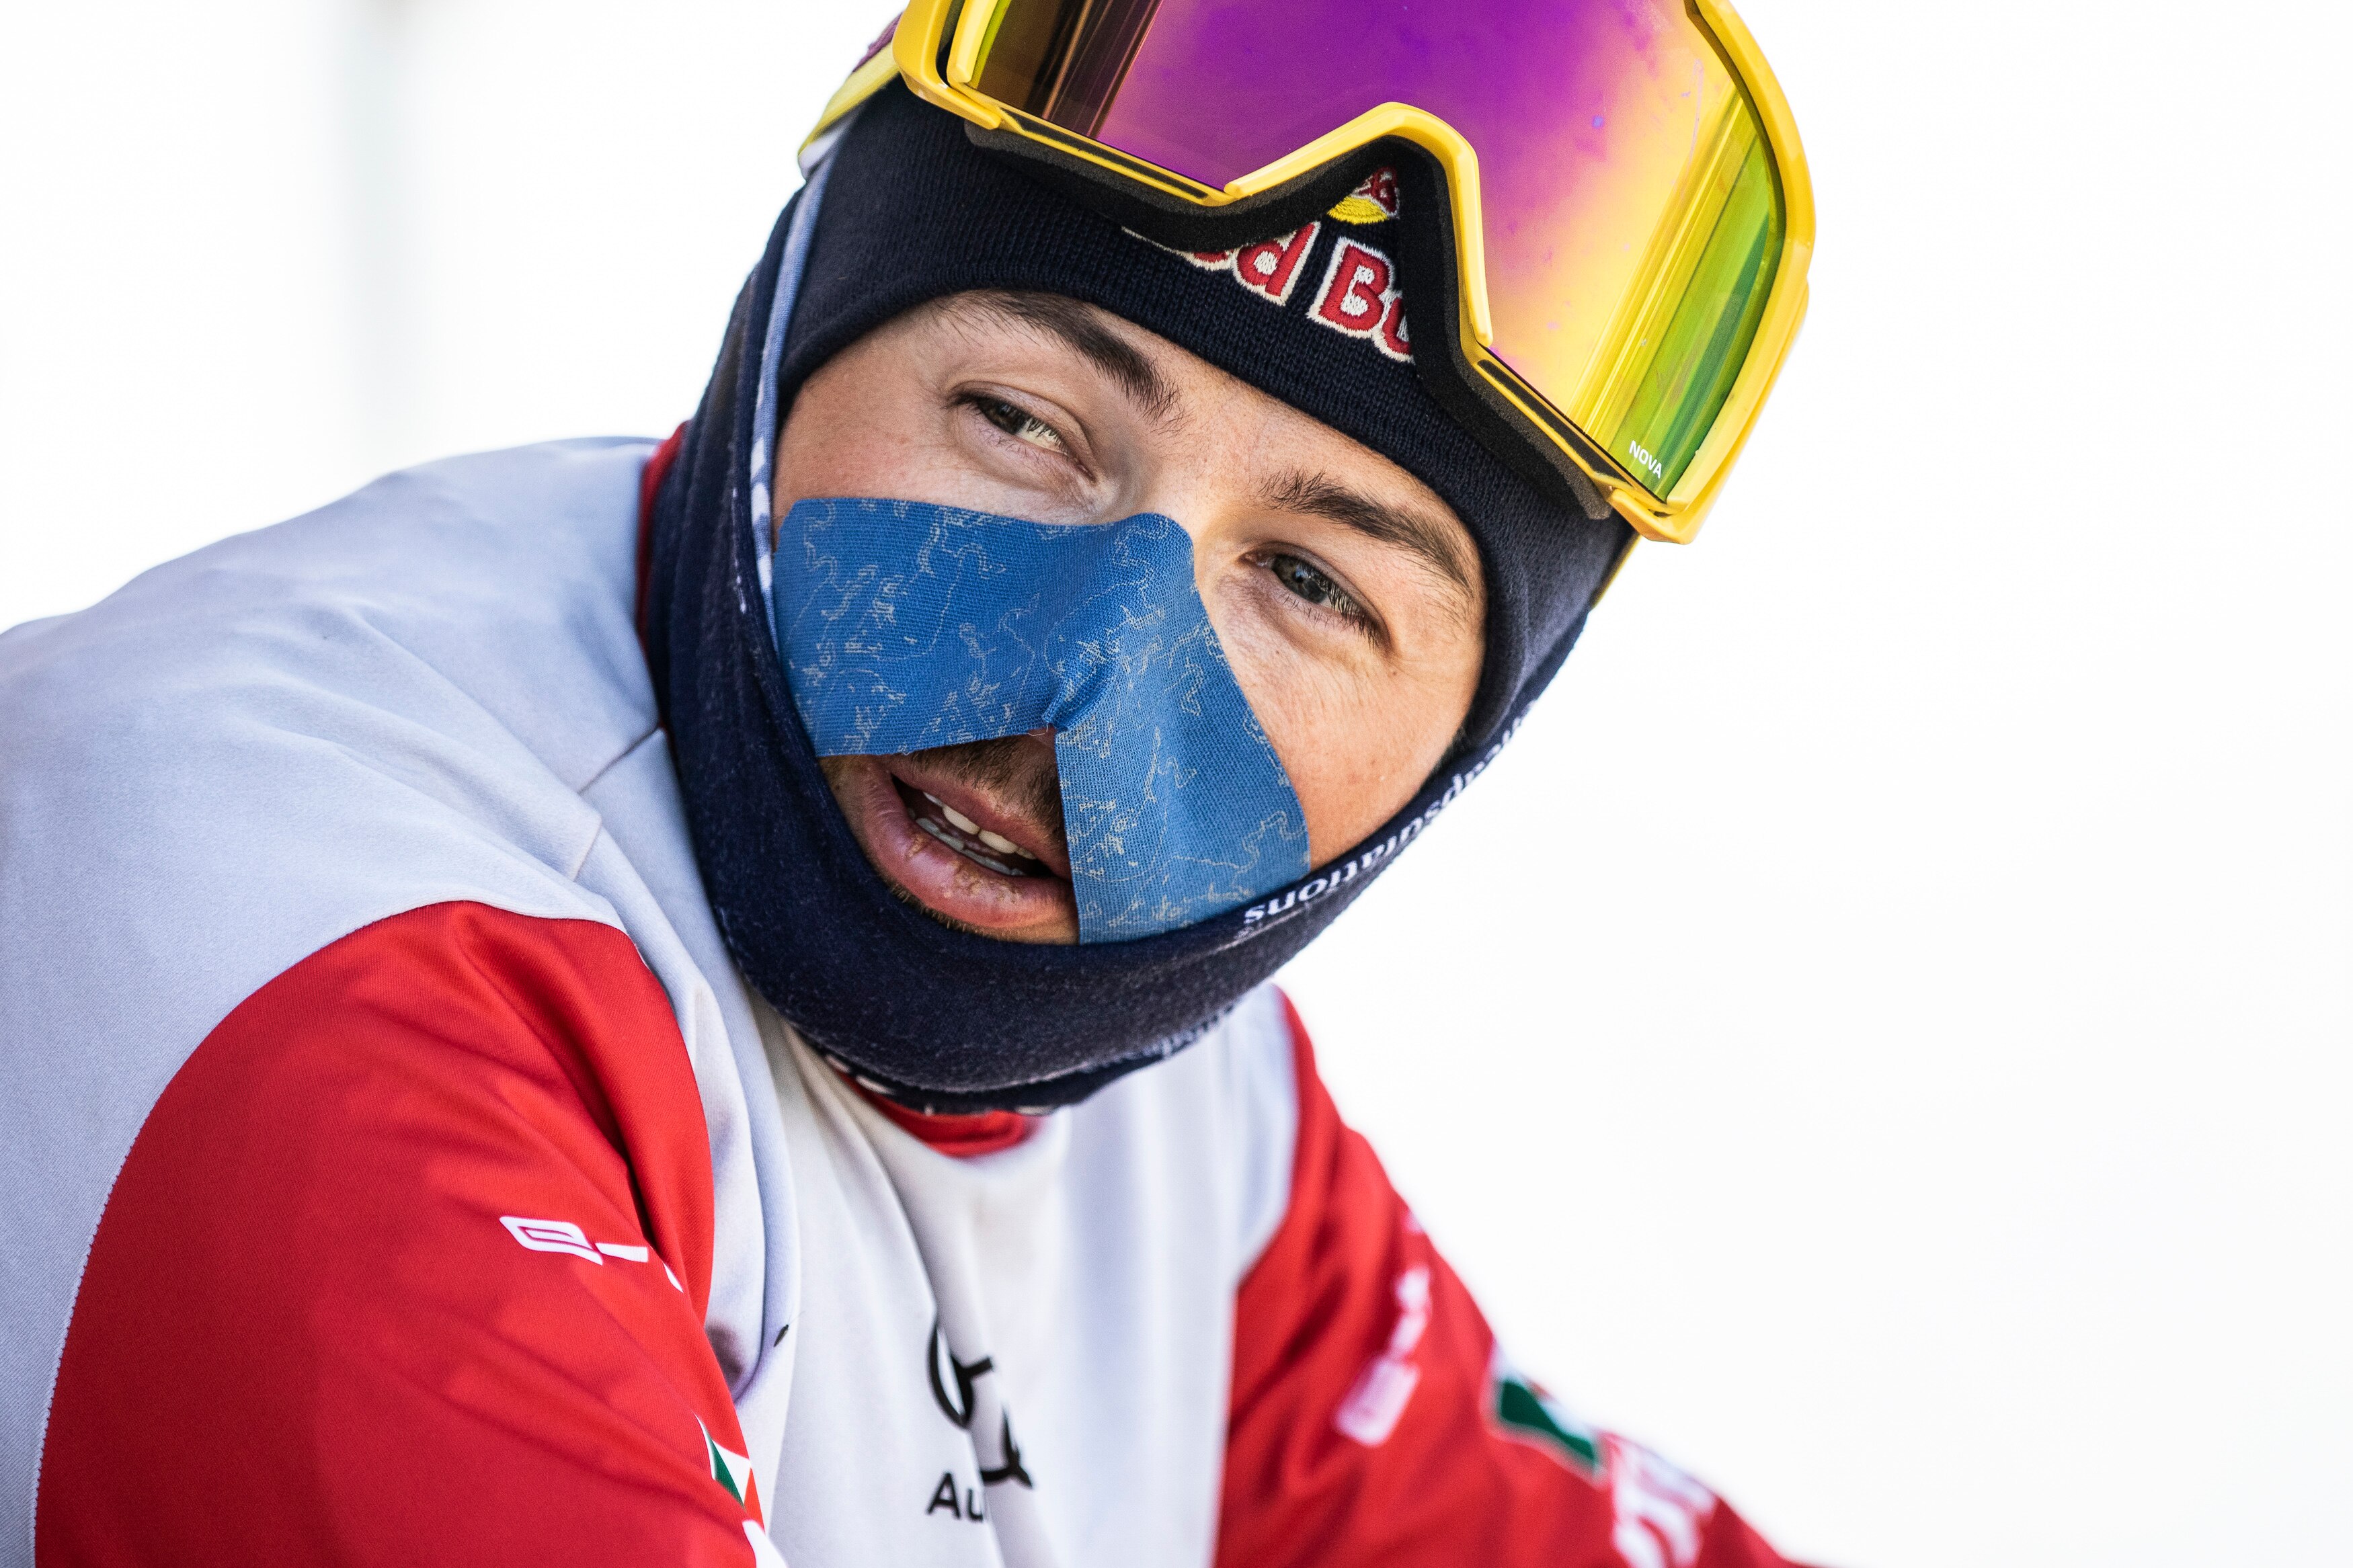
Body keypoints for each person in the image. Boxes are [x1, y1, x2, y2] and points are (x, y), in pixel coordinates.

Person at [0, 5, 1815, 1565]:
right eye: (1021, 425)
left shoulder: (1185, 1111)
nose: (1082, 697)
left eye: (1312, 586)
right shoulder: (326, 934)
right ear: (791, 332)